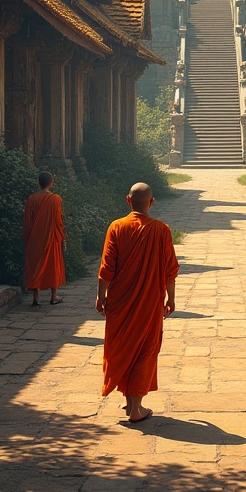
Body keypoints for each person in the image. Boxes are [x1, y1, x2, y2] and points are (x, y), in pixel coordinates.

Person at [96, 181, 179, 422]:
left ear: (128, 200)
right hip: (149, 301)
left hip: (120, 301)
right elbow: (169, 270)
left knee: (123, 346)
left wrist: (101, 297)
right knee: (145, 349)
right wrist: (171, 299)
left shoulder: (116, 227)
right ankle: (136, 407)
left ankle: (130, 402)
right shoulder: (161, 230)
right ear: (151, 203)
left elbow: (106, 268)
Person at [23, 171, 65, 307]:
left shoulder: (31, 199)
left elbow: (27, 222)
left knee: (35, 266)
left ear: (39, 183)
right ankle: (54, 296)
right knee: (53, 265)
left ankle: (36, 297)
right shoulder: (56, 199)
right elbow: (58, 221)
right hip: (50, 237)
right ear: (51, 182)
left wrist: (27, 238)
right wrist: (61, 235)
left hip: (34, 239)